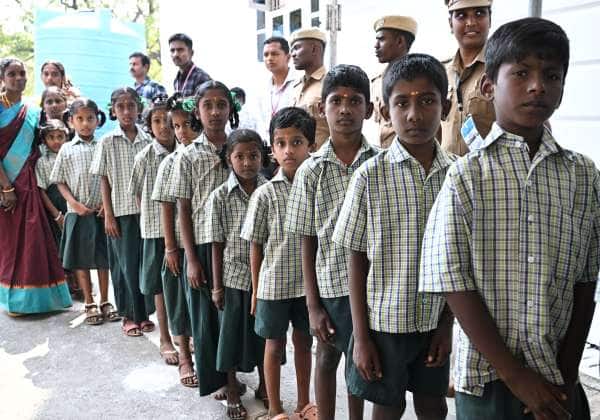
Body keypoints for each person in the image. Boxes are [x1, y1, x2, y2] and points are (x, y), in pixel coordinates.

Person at [420, 18, 598, 419]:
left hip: (556, 376)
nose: (537, 86)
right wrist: (516, 375)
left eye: (551, 75)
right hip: (487, 380)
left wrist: (567, 373)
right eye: (521, 73)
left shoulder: (582, 175)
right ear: (488, 86)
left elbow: (586, 280)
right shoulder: (467, 176)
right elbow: (452, 280)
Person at [333, 54, 455, 420]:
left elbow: (460, 260)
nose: (415, 114)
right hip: (385, 324)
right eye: (402, 103)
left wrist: (447, 326)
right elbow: (356, 260)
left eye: (427, 101)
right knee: (387, 407)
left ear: (446, 106)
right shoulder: (369, 177)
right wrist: (361, 337)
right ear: (386, 111)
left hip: (435, 319)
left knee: (433, 406)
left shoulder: (457, 176)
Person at [285, 65, 379, 420]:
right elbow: (306, 239)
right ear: (321, 108)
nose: (345, 109)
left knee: (362, 362)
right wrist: (313, 305)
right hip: (330, 286)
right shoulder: (311, 171)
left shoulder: (381, 163)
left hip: (374, 286)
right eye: (336, 101)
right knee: (326, 357)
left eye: (355, 101)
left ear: (369, 109)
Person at [241, 107, 317, 420]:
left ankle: (304, 403)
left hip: (309, 285)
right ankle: (275, 408)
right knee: (273, 345)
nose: (288, 151)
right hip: (273, 285)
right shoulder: (265, 194)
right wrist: (256, 290)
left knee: (304, 342)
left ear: (310, 145)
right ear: (272, 148)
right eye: (281, 143)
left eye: (296, 142)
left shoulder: (317, 187)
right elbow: (255, 245)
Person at [170, 80, 239, 398]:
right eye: (207, 105)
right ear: (196, 112)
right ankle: (218, 381)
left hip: (236, 244)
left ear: (231, 108)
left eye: (221, 105)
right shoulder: (187, 155)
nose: (215, 112)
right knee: (205, 317)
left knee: (233, 314)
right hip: (200, 245)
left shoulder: (240, 147)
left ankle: (236, 374)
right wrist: (190, 259)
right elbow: (183, 209)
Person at [0, 57, 71, 315]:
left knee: (33, 240)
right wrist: (6, 187)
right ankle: (14, 300)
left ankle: (38, 299)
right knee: (10, 244)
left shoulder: (31, 110)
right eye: (12, 74)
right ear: (2, 78)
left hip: (29, 183)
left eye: (22, 73)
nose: (18, 78)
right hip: (6, 185)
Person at [206, 129, 268, 420]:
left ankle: (266, 385)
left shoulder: (271, 190)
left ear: (262, 156)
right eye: (239, 156)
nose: (247, 163)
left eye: (253, 156)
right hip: (233, 277)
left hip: (267, 277)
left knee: (266, 334)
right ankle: (232, 388)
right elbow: (216, 244)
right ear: (228, 159)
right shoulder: (219, 197)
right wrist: (217, 287)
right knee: (230, 336)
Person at [90, 87, 153, 337]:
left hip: (146, 212)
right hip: (120, 212)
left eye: (131, 106)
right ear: (113, 111)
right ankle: (128, 315)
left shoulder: (148, 140)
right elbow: (104, 179)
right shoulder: (107, 141)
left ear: (139, 108)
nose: (127, 111)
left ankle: (144, 313)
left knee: (144, 263)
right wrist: (108, 214)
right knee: (124, 265)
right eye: (121, 107)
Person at [51, 98, 119, 325]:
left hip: (101, 213)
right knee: (80, 258)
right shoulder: (66, 149)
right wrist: (74, 203)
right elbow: (59, 181)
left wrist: (106, 205)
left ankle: (105, 300)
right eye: (79, 119)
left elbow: (110, 177)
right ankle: (89, 302)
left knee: (103, 258)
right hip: (77, 213)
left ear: (98, 120)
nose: (85, 123)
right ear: (71, 121)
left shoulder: (104, 145)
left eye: (90, 118)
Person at [151, 92, 201, 388]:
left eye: (187, 125)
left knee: (202, 306)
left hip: (203, 242)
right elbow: (166, 207)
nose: (182, 132)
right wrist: (170, 247)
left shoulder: (211, 156)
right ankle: (184, 357)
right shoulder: (170, 162)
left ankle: (205, 358)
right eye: (177, 126)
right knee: (178, 302)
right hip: (180, 246)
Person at [129, 94, 178, 362]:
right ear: (149, 126)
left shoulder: (184, 152)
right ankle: (165, 338)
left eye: (168, 120)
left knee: (182, 284)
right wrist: (149, 218)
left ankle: (184, 335)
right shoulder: (145, 157)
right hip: (156, 231)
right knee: (159, 287)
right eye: (157, 121)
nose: (164, 126)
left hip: (182, 231)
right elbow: (137, 192)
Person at [440, 0, 495, 156]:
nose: (471, 22)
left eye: (479, 13)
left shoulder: (503, 70)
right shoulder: (441, 72)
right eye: (461, 15)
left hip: (489, 170)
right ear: (450, 24)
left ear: (490, 19)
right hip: (448, 169)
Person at [371, 15, 417, 148]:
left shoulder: (417, 80)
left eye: (381, 39)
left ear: (400, 41)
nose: (376, 45)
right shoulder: (377, 82)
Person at [290, 27, 330, 150]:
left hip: (323, 157)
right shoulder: (296, 86)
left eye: (297, 48)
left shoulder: (330, 83)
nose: (292, 54)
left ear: (314, 49)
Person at [35, 119, 68, 250]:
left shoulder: (71, 156)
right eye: (51, 137)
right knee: (60, 243)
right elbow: (41, 191)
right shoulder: (42, 162)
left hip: (73, 204)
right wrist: (57, 215)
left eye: (60, 137)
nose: (56, 141)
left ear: (66, 137)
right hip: (55, 206)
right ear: (44, 140)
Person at [258, 36, 296, 140]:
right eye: (266, 55)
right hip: (268, 144)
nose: (269, 58)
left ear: (288, 57)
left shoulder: (299, 83)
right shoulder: (262, 87)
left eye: (274, 54)